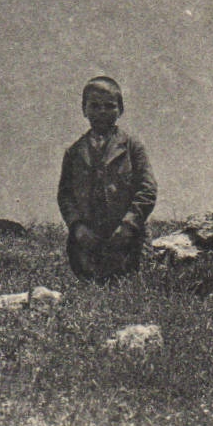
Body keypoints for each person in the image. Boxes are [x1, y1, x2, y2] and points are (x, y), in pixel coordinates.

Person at [57, 76, 158, 281]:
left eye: (109, 106)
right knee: (90, 287)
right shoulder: (74, 152)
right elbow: (65, 195)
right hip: (86, 245)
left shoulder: (132, 147)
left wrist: (129, 225)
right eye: (94, 106)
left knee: (125, 284)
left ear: (120, 110)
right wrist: (77, 227)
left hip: (126, 242)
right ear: (84, 110)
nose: (101, 111)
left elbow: (147, 189)